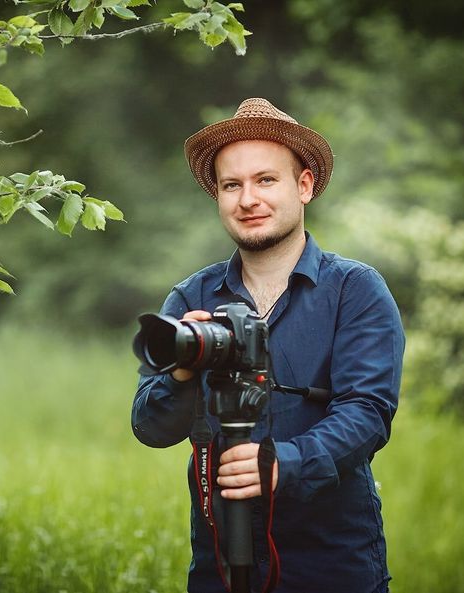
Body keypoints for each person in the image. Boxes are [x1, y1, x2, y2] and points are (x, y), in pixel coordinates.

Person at [131, 98, 405, 593]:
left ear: (303, 186)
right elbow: (149, 426)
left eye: (266, 180)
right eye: (231, 185)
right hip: (219, 563)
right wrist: (183, 371)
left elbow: (368, 413)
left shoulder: (356, 290)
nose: (247, 199)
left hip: (332, 565)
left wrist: (282, 464)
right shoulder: (191, 298)